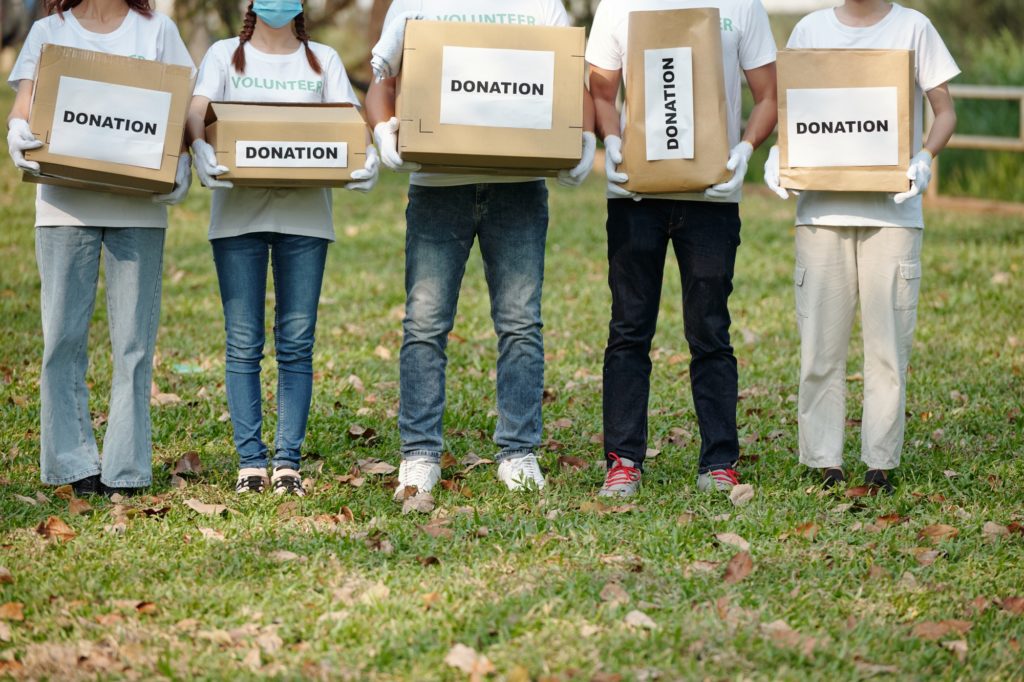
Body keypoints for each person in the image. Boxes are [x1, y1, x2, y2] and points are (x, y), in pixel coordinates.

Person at [366, 0, 597, 497]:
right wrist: (384, 128)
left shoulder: (540, 7)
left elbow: (573, 88)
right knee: (425, 322)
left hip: (518, 187)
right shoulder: (417, 3)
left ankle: (518, 452)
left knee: (520, 322)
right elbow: (382, 81)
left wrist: (586, 137)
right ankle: (420, 453)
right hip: (437, 188)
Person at [764, 0, 958, 492]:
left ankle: (880, 463)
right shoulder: (810, 31)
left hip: (892, 214)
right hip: (820, 215)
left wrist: (925, 156)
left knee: (888, 349)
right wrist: (779, 154)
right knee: (819, 350)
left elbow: (945, 110)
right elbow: (793, 109)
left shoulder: (914, 28)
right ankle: (823, 462)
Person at [187, 0, 379, 496]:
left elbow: (349, 122)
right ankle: (251, 462)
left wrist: (368, 154)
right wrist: (198, 146)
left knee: (296, 343)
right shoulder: (225, 55)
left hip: (306, 219)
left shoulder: (324, 61)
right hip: (236, 218)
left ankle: (287, 462)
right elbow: (196, 110)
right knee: (243, 342)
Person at [587, 0, 778, 497]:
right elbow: (601, 91)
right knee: (629, 328)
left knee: (710, 331)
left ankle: (719, 462)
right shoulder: (618, 7)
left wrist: (745, 149)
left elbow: (768, 97)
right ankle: (623, 460)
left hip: (712, 196)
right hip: (635, 194)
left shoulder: (742, 6)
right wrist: (609, 139)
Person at [6, 0, 194, 497]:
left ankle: (125, 470)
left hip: (138, 209)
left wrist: (181, 162)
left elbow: (181, 108)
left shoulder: (158, 31)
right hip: (65, 208)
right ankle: (72, 465)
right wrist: (17, 132)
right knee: (61, 341)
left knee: (134, 345)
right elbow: (24, 106)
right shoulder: (48, 30)